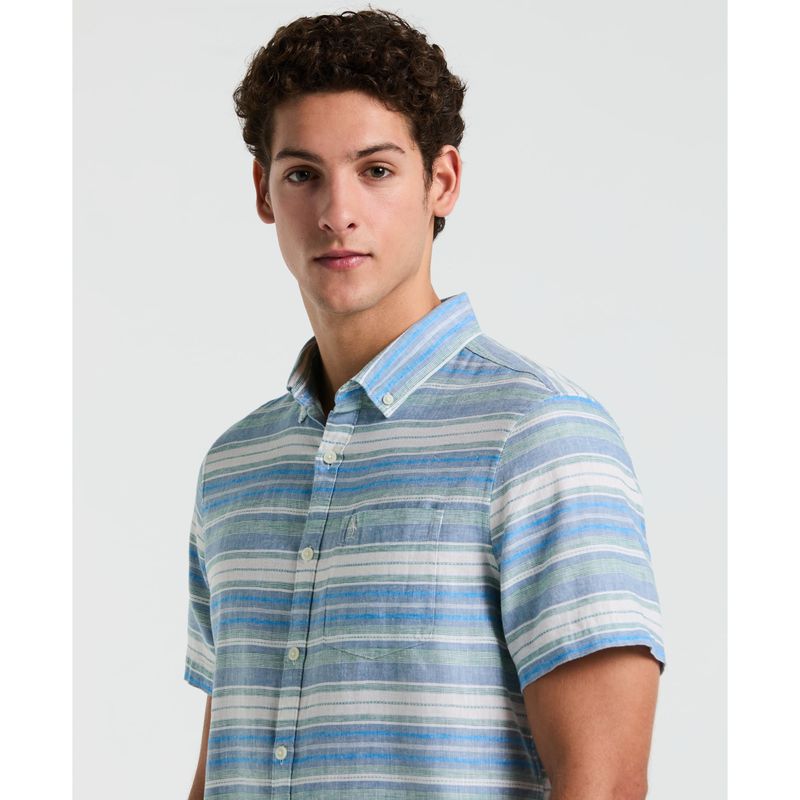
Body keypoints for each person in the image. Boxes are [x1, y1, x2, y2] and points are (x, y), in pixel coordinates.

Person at [184, 8, 666, 800]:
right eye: (302, 174)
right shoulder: (236, 466)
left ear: (442, 181)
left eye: (375, 170)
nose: (337, 212)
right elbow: (222, 762)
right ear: (263, 191)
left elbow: (605, 782)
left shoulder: (538, 433)